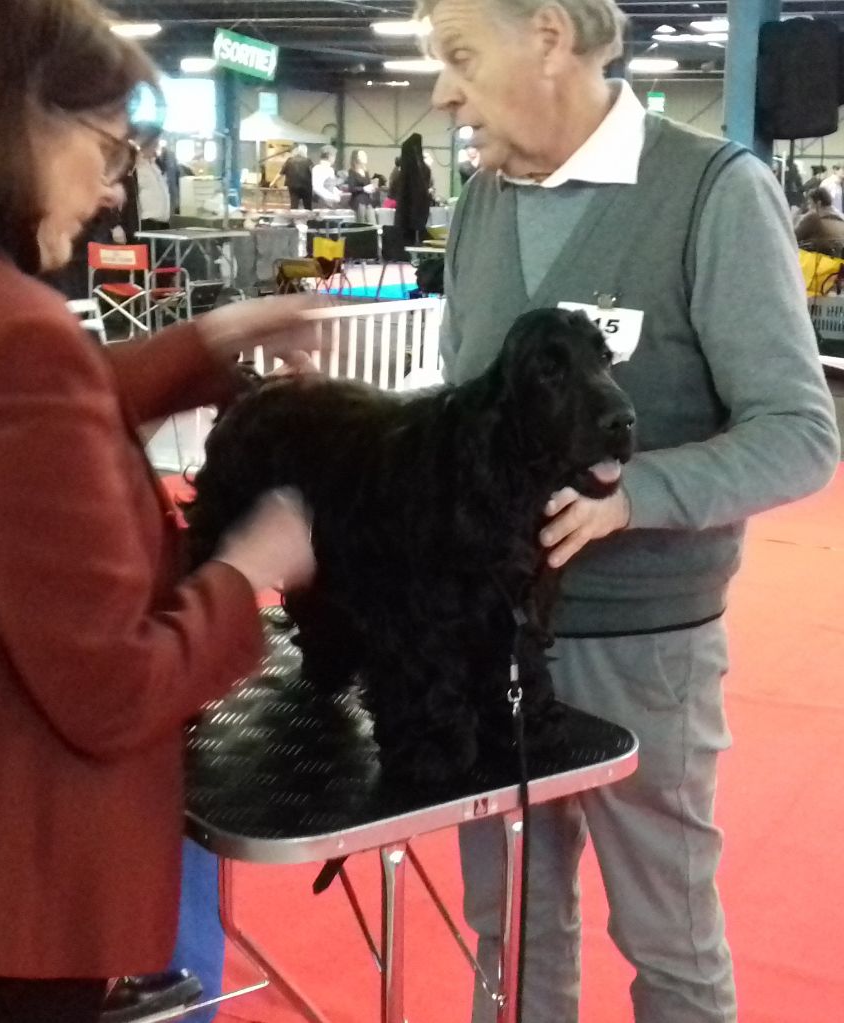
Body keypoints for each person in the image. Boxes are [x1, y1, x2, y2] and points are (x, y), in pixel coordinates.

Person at [0, 3, 320, 1023]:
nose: (116, 187)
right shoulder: (3, 335)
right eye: (108, 146)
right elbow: (117, 691)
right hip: (3, 882)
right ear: (15, 123)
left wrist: (203, 342)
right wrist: (252, 567)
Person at [423, 1, 840, 1022]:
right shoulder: (478, 202)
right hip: (491, 641)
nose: (442, 93)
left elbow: (799, 433)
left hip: (643, 654)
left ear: (549, 38)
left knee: (666, 938)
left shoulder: (710, 191)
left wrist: (633, 499)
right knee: (510, 929)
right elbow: (465, 412)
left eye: (460, 57)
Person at [795, 186, 844, 254]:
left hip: (817, 258)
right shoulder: (841, 217)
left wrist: (797, 215)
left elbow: (793, 238)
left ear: (818, 203)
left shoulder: (813, 217)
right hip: (837, 259)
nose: (808, 207)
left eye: (810, 203)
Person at [281, 144, 314, 210]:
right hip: (306, 186)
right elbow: (313, 173)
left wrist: (272, 183)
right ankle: (308, 216)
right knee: (307, 205)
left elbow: (281, 173)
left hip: (293, 186)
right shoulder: (308, 161)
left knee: (294, 205)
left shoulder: (289, 160)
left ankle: (293, 215)